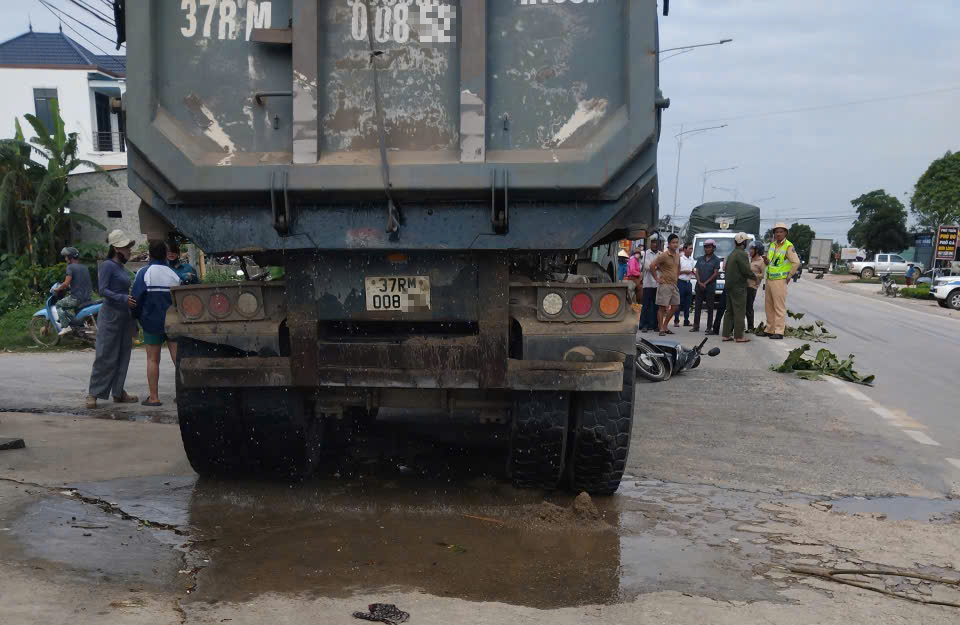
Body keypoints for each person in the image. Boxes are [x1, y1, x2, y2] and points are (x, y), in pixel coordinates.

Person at [87, 230, 139, 408]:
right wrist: (123, 298)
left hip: (124, 316)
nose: (130, 252)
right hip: (110, 316)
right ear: (117, 249)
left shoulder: (121, 267)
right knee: (105, 355)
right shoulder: (108, 265)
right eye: (127, 248)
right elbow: (103, 290)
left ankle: (118, 392)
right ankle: (93, 394)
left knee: (123, 355)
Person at [132, 241, 183, 407]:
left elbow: (135, 299)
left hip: (151, 323)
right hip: (173, 323)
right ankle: (183, 396)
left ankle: (154, 398)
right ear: (165, 254)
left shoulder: (144, 273)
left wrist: (137, 318)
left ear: (150, 254)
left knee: (153, 360)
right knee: (178, 360)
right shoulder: (174, 275)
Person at [764, 222, 801, 340]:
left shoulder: (788, 246)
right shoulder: (772, 245)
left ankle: (779, 331)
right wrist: (765, 260)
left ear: (785, 233)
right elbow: (770, 262)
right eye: (776, 232)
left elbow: (796, 262)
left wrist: (789, 276)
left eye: (781, 231)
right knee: (768, 306)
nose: (778, 234)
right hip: (770, 279)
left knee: (779, 307)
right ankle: (769, 329)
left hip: (780, 280)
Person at [721, 232, 754, 343]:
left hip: (729, 286)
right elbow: (746, 270)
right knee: (739, 311)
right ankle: (739, 336)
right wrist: (755, 277)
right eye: (746, 241)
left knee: (729, 311)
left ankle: (726, 335)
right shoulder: (742, 254)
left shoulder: (732, 254)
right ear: (743, 242)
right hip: (738, 287)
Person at [54, 246, 93, 336]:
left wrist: (58, 288)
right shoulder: (84, 267)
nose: (65, 259)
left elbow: (66, 283)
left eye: (66, 256)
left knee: (59, 305)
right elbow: (80, 282)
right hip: (87, 298)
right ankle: (77, 328)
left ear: (70, 257)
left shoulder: (70, 267)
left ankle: (65, 327)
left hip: (77, 298)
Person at [649, 233, 682, 336]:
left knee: (675, 307)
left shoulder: (677, 255)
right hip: (665, 285)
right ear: (669, 243)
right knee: (662, 308)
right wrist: (656, 278)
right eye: (673, 242)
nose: (675, 245)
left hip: (674, 285)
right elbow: (652, 265)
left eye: (677, 242)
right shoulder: (664, 255)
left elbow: (678, 268)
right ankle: (661, 329)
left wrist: (677, 277)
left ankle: (665, 326)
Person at [691, 239, 721, 332]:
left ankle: (709, 327)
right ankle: (696, 326)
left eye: (709, 247)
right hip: (699, 286)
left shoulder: (716, 260)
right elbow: (697, 271)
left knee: (710, 307)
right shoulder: (700, 259)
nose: (707, 249)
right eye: (705, 247)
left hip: (710, 287)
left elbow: (715, 273)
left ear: (713, 248)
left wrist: (706, 283)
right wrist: (699, 282)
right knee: (698, 306)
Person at [639, 236, 661, 332]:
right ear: (650, 243)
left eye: (656, 242)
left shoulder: (661, 254)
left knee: (656, 306)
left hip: (657, 284)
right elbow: (647, 266)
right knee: (646, 306)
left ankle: (654, 325)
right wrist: (656, 267)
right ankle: (644, 325)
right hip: (648, 283)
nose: (654, 244)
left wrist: (654, 266)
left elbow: (662, 266)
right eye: (653, 242)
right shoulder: (645, 253)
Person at [674, 242, 696, 327]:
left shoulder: (692, 260)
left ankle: (686, 320)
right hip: (681, 282)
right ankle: (676, 320)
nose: (691, 250)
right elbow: (676, 272)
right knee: (678, 302)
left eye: (692, 249)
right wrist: (685, 271)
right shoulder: (680, 259)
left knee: (688, 302)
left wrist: (693, 272)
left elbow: (693, 270)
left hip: (688, 283)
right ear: (684, 249)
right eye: (690, 248)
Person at [746, 241, 765, 331]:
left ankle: (750, 327)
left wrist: (752, 275)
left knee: (749, 307)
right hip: (744, 285)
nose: (750, 251)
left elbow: (762, 275)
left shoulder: (761, 261)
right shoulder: (749, 259)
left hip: (752, 287)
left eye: (752, 249)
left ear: (757, 250)